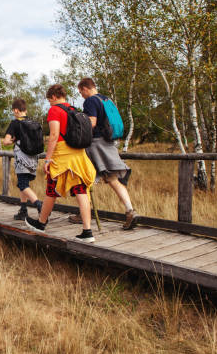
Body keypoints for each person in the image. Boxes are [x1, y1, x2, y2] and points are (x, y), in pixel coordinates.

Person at [25, 84, 96, 242]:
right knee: (80, 190)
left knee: (52, 189)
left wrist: (48, 158)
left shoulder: (54, 110)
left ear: (54, 97)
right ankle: (87, 231)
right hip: (78, 155)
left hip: (62, 155)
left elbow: (54, 135)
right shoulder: (73, 109)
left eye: (49, 100)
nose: (49, 103)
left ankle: (41, 223)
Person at [70, 77, 139, 230]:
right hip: (108, 142)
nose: (81, 95)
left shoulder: (90, 101)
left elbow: (92, 122)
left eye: (80, 92)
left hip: (96, 144)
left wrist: (77, 123)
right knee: (113, 178)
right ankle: (130, 210)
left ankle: (83, 214)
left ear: (85, 88)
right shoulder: (106, 99)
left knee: (83, 178)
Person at [3, 98, 43, 220]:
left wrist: (13, 140)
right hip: (33, 158)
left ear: (16, 110)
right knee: (23, 183)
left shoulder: (15, 123)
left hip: (21, 157)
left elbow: (5, 142)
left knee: (22, 184)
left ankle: (39, 204)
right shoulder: (33, 122)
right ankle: (23, 209)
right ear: (25, 109)